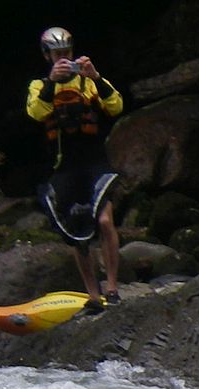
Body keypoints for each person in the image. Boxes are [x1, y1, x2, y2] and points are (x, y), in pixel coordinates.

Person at [26, 26, 123, 311]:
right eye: (57, 55)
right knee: (76, 232)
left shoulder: (89, 81)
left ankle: (113, 288)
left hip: (95, 162)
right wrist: (50, 84)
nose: (63, 59)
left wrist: (95, 77)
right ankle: (93, 295)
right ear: (47, 56)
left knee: (105, 221)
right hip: (65, 167)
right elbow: (36, 112)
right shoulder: (38, 86)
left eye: (66, 53)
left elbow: (115, 106)